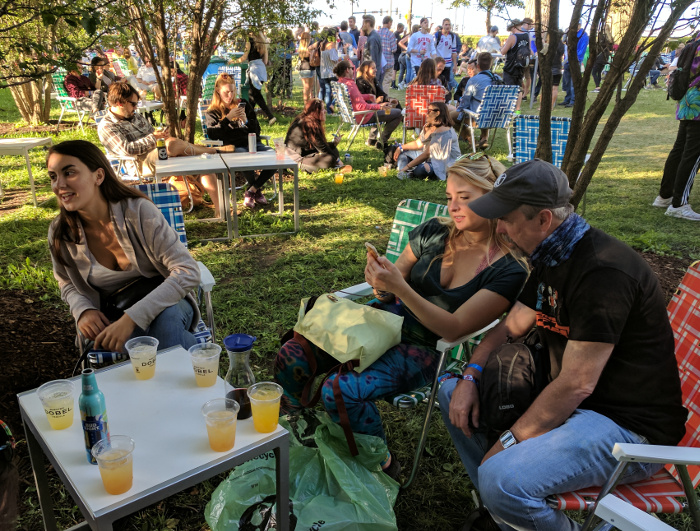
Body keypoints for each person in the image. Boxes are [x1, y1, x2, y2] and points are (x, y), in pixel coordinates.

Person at [439, 158, 687, 530]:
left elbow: (577, 383)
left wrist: (507, 443)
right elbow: (511, 325)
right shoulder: (552, 252)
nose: (500, 228)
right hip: (574, 404)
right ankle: (505, 515)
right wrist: (471, 376)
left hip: (627, 428)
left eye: (507, 218)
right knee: (449, 392)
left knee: (500, 477)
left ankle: (505, 501)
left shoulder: (603, 272)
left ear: (543, 219)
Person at [275, 154, 528, 478]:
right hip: (383, 322)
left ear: (494, 200)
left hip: (427, 349)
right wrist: (380, 283)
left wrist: (401, 289)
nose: (453, 207)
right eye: (449, 197)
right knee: (293, 354)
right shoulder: (435, 231)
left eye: (465, 198)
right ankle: (301, 428)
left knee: (340, 389)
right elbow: (392, 283)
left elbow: (454, 328)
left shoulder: (508, 268)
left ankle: (381, 464)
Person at [47, 140, 204, 353]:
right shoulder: (61, 232)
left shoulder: (138, 212)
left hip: (166, 300)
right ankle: (202, 362)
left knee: (163, 331)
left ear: (98, 176)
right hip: (112, 312)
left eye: (69, 173)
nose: (59, 185)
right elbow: (66, 282)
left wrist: (132, 318)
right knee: (162, 342)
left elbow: (187, 271)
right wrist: (83, 310)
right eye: (53, 177)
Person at [97, 82, 226, 211]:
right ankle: (213, 150)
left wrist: (161, 136)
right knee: (171, 145)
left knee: (201, 160)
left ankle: (221, 209)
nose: (136, 108)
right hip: (136, 163)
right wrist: (155, 138)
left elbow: (151, 134)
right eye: (133, 104)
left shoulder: (135, 117)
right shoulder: (107, 126)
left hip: (156, 154)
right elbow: (127, 149)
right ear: (120, 103)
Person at [204, 74, 277, 210]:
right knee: (242, 155)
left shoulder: (243, 104)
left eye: (232, 91)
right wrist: (227, 119)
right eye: (226, 92)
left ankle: (252, 189)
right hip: (232, 147)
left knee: (274, 156)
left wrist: (247, 121)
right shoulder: (212, 112)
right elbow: (213, 134)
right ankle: (255, 190)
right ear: (218, 91)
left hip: (252, 142)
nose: (230, 95)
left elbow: (257, 130)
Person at [654, 34, 700, 220]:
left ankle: (666, 195)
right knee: (693, 154)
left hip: (688, 103)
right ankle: (679, 203)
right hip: (697, 105)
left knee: (680, 150)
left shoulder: (695, 41)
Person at [334, 60, 402, 149]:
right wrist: (379, 106)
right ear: (347, 70)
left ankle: (375, 139)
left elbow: (355, 98)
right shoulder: (351, 84)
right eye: (352, 68)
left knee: (390, 110)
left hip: (351, 115)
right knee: (398, 113)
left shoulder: (341, 82)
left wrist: (367, 96)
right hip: (364, 116)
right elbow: (362, 106)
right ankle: (382, 141)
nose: (353, 70)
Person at [394, 101, 460, 180]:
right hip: (429, 158)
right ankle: (404, 172)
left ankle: (408, 172)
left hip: (443, 162)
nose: (426, 114)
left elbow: (427, 154)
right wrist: (400, 147)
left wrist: (407, 166)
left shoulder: (443, 130)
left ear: (437, 113)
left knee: (422, 169)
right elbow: (418, 143)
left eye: (429, 111)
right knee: (402, 154)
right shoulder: (428, 126)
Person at [284, 99, 350, 173]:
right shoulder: (309, 125)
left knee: (333, 149)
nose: (325, 111)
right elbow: (323, 149)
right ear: (316, 112)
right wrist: (338, 160)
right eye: (322, 109)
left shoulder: (309, 121)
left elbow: (320, 145)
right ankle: (335, 165)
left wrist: (334, 144)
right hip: (295, 159)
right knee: (329, 159)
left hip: (306, 153)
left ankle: (334, 165)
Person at [452, 52, 503, 149]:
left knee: (450, 117)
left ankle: (472, 140)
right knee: (485, 108)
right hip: (497, 117)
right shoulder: (499, 79)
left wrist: (459, 109)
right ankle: (484, 138)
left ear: (478, 66)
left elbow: (465, 102)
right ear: (491, 64)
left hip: (478, 118)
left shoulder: (474, 80)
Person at [238, 30, 277, 126]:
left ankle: (270, 116)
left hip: (254, 69)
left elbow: (244, 57)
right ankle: (247, 118)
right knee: (252, 96)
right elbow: (266, 61)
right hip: (261, 69)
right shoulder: (263, 43)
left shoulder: (249, 41)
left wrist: (233, 61)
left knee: (256, 95)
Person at [500, 19, 530, 109]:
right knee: (518, 88)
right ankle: (517, 109)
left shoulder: (513, 37)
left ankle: (509, 108)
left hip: (511, 66)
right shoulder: (526, 35)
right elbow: (528, 49)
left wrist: (501, 48)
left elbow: (503, 51)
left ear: (513, 27)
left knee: (508, 88)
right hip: (521, 65)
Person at [562, 22, 589, 108]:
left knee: (573, 82)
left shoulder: (583, 35)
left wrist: (577, 58)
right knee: (567, 81)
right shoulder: (570, 33)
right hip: (567, 60)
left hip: (575, 60)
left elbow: (583, 48)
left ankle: (573, 100)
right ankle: (567, 98)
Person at [435, 18, 461, 90]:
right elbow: (433, 49)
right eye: (446, 24)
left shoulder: (452, 36)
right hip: (438, 63)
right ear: (442, 25)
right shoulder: (437, 35)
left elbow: (454, 51)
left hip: (448, 63)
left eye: (449, 25)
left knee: (446, 81)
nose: (447, 26)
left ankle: (446, 98)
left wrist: (455, 64)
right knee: (437, 81)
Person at [319, 33, 340, 114]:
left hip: (324, 72)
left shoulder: (323, 45)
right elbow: (334, 59)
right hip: (332, 72)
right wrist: (342, 58)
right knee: (338, 90)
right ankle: (332, 104)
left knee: (328, 91)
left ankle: (329, 111)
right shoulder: (332, 46)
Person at [377, 16, 398, 93]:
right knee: (386, 82)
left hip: (379, 61)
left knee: (378, 81)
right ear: (389, 22)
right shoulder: (390, 34)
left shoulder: (377, 33)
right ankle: (385, 99)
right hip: (388, 61)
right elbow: (394, 49)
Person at [297, 32, 316, 104]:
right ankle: (307, 104)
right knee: (308, 88)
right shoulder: (309, 49)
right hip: (308, 68)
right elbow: (311, 60)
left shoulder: (301, 48)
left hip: (303, 68)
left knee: (306, 88)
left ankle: (307, 104)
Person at [391, 23, 405, 89]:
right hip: (396, 54)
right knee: (395, 69)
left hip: (396, 54)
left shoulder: (396, 35)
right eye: (402, 28)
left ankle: (392, 83)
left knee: (395, 69)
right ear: (399, 28)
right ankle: (393, 83)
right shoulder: (396, 35)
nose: (402, 30)